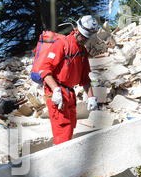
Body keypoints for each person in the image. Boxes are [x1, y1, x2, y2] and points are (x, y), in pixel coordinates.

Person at [41, 15, 99, 145]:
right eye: (83, 36)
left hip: (69, 93)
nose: (84, 40)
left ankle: (65, 158)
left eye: (87, 38)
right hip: (55, 90)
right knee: (63, 130)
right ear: (77, 30)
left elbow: (84, 78)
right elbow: (44, 70)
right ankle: (62, 161)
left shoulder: (82, 51)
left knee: (71, 126)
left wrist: (91, 97)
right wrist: (55, 90)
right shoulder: (61, 44)